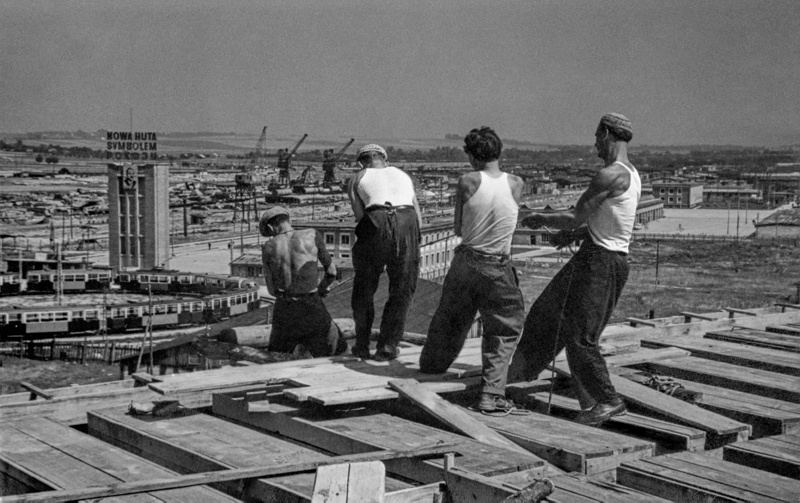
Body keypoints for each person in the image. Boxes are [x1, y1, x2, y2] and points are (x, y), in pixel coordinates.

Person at [508, 113, 641, 426]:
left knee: (580, 336)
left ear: (608, 133)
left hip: (603, 264)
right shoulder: (631, 174)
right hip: (593, 254)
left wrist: (540, 217)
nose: (594, 143)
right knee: (546, 315)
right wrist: (575, 235)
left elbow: (574, 216)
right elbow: (610, 224)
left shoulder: (611, 174)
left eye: (597, 136)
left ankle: (608, 401)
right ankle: (517, 378)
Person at [419, 127, 526, 413]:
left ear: (471, 155)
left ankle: (430, 368)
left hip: (466, 261)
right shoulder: (516, 183)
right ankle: (491, 394)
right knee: (503, 328)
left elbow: (457, 227)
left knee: (450, 319)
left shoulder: (467, 181)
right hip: (498, 266)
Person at [347, 144, 422, 361]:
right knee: (402, 288)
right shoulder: (403, 175)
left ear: (362, 162)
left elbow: (360, 215)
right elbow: (417, 213)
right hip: (408, 221)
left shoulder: (357, 178)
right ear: (384, 160)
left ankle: (361, 345)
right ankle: (388, 347)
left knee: (364, 288)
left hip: (376, 220)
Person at [260, 205, 347, 357]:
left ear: (270, 227)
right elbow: (332, 272)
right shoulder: (312, 235)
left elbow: (272, 290)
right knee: (337, 352)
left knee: (277, 358)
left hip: (284, 309)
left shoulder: (268, 246)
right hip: (311, 305)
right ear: (288, 220)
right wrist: (321, 289)